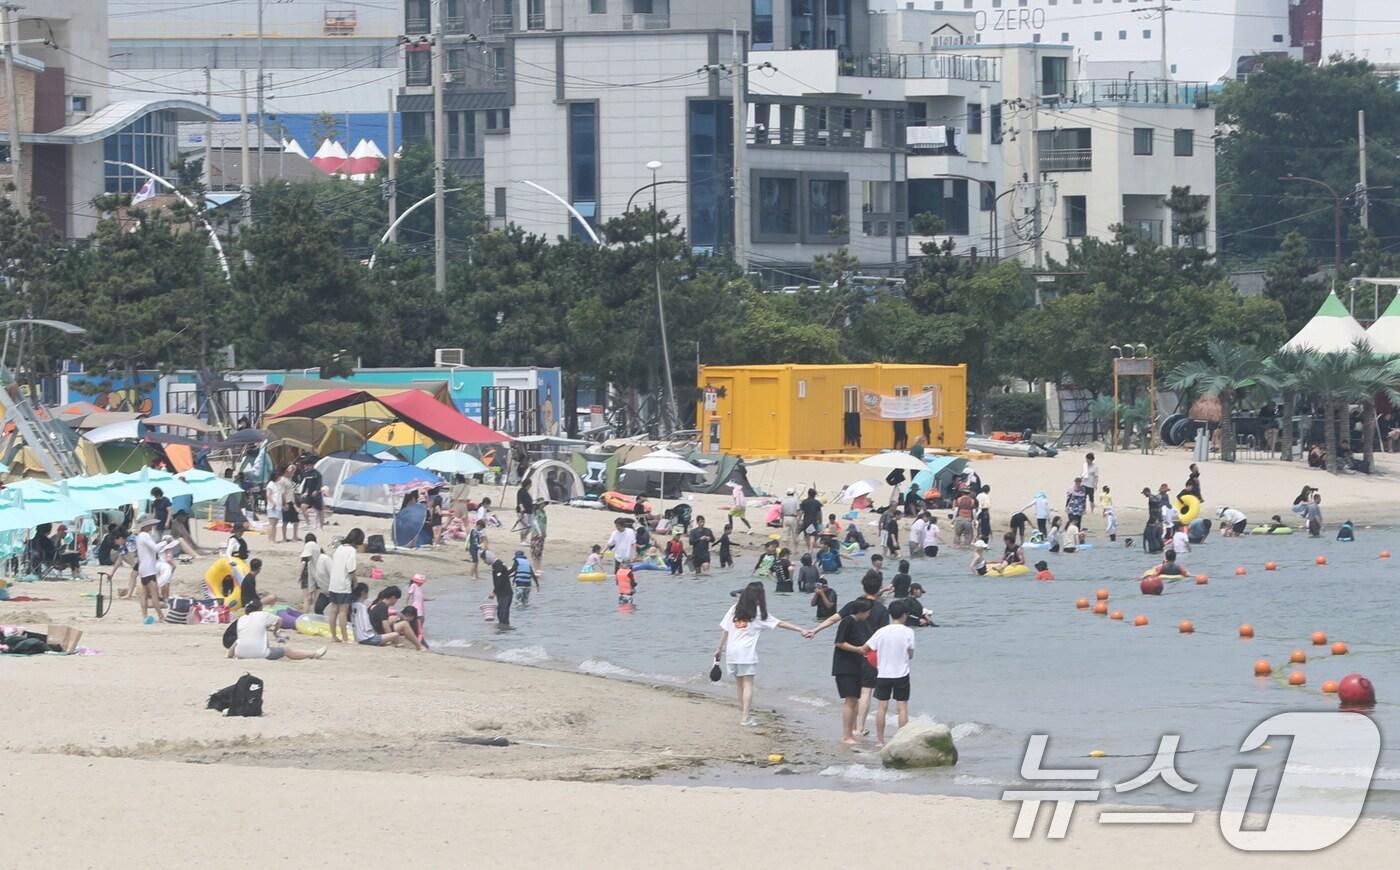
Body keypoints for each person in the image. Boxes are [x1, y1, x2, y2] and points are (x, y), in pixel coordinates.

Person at [713, 582, 812, 726]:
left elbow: (726, 630)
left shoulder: (735, 608)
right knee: (748, 685)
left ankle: (744, 715)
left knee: (740, 685)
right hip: (746, 653)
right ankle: (745, 718)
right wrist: (801, 630)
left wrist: (719, 648)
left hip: (731, 652)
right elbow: (780, 623)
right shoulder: (758, 612)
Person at [864, 600, 915, 748]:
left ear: (890, 614)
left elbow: (867, 648)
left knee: (882, 707)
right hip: (901, 673)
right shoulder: (908, 632)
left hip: (883, 673)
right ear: (905, 615)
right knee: (902, 707)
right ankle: (903, 740)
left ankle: (880, 741)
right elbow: (910, 653)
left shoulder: (882, 631)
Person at [831, 599, 876, 745]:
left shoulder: (862, 623)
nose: (869, 614)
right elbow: (839, 642)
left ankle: (851, 733)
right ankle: (846, 736)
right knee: (850, 700)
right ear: (861, 611)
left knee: (854, 700)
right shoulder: (848, 621)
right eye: (868, 612)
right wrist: (857, 649)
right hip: (845, 666)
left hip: (857, 666)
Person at [228, 600, 324, 661]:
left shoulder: (241, 619)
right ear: (260, 608)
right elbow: (280, 620)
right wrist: (275, 632)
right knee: (286, 650)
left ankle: (229, 654)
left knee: (247, 638)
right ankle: (314, 653)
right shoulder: (262, 614)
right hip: (259, 653)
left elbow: (240, 638)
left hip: (240, 652)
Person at [327, 528, 362, 643]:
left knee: (333, 611)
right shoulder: (351, 551)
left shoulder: (339, 548)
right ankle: (345, 638)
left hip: (333, 583)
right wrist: (355, 582)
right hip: (343, 584)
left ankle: (333, 636)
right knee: (343, 611)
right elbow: (351, 569)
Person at [369, 585, 425, 650]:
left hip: (377, 631)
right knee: (404, 624)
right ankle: (419, 646)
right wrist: (391, 638)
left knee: (394, 618)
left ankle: (417, 645)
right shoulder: (383, 607)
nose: (396, 602)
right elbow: (385, 626)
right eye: (397, 599)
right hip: (380, 634)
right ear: (393, 598)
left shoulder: (379, 605)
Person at [349, 583, 404, 648]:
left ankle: (389, 644)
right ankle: (395, 645)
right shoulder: (362, 607)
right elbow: (367, 625)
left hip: (358, 637)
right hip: (368, 638)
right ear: (363, 593)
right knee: (395, 634)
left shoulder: (353, 605)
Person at [133, 514, 165, 623]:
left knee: (144, 594)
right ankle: (161, 616)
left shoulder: (139, 536)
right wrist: (166, 542)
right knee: (154, 593)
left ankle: (144, 616)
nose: (152, 526)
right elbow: (155, 548)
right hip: (149, 569)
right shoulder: (145, 536)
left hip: (143, 569)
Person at [487, 553, 513, 630]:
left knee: (503, 613)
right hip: (501, 594)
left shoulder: (498, 565)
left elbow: (500, 580)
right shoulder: (496, 565)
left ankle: (504, 630)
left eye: (484, 559)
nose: (484, 562)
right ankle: (504, 629)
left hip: (506, 594)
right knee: (500, 613)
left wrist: (494, 592)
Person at [299, 461, 324, 530]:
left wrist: (316, 490)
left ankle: (321, 526)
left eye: (307, 465)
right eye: (305, 466)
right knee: (303, 507)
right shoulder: (306, 474)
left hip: (317, 495)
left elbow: (319, 484)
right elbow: (305, 484)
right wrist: (302, 492)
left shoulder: (317, 474)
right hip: (309, 494)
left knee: (320, 510)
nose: (306, 467)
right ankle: (308, 523)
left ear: (312, 465)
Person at [799, 488, 824, 553]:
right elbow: (819, 513)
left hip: (806, 521)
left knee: (806, 536)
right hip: (813, 521)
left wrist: (799, 520)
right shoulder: (817, 502)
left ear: (808, 494)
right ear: (814, 495)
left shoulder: (804, 502)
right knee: (812, 535)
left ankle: (809, 548)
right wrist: (820, 521)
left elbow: (801, 512)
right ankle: (811, 550)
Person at [264, 472, 284, 544]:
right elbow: (268, 494)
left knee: (275, 524)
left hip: (278, 506)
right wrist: (273, 503)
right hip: (272, 506)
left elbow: (281, 495)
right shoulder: (271, 484)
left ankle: (274, 539)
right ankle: (270, 539)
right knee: (271, 524)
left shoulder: (278, 484)